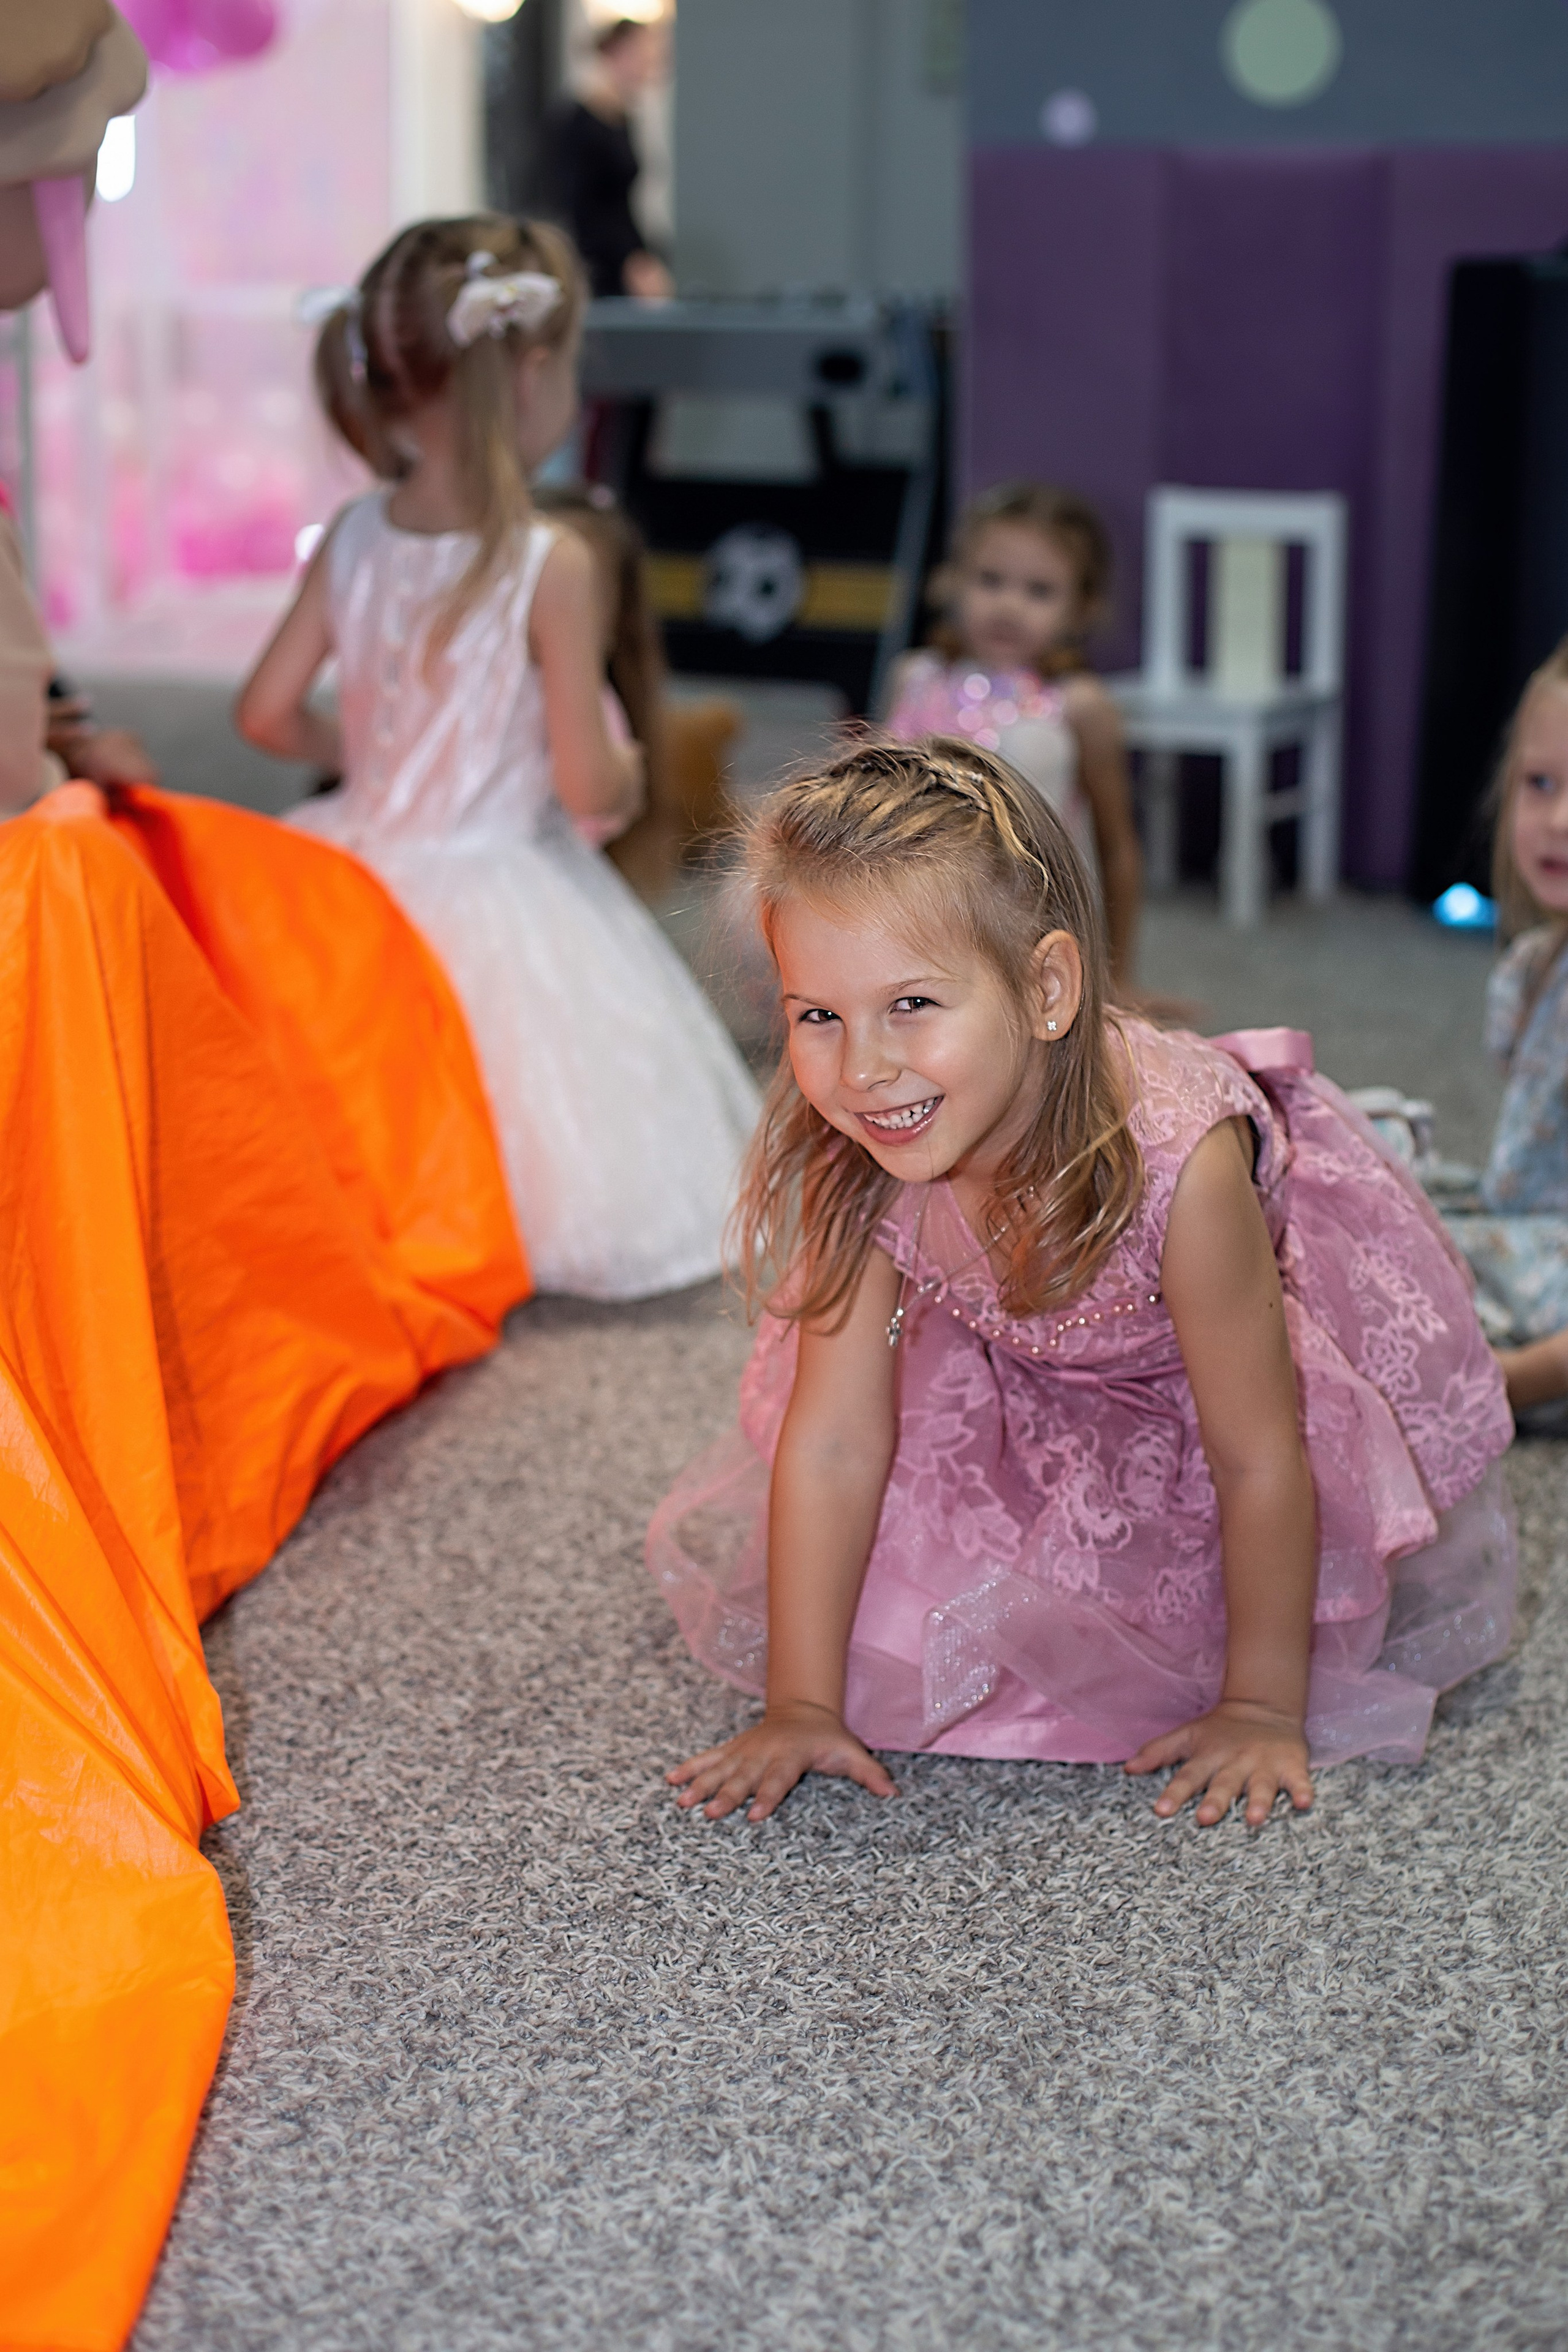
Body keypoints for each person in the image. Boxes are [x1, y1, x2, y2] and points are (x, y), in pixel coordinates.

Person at [648, 739, 1517, 1826]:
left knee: (1250, 1535)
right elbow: (833, 1440)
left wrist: (1258, 1704)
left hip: (1212, 1345)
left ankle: (1430, 1214)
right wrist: (802, 1702)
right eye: (817, 1014)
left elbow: (1258, 1453)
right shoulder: (863, 1150)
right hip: (1024, 1347)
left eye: (911, 1004)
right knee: (899, 1599)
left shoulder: (1183, 1171)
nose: (862, 1069)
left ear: (1049, 987)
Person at [237, 214, 758, 1301]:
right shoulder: (550, 560)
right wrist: (619, 776)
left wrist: (377, 765)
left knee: (355, 1086)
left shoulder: (352, 535)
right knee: (519, 1084)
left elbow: (266, 716)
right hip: (497, 873)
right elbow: (582, 783)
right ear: (529, 372)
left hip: (361, 859)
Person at [884, 482, 1144, 998]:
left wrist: (1118, 978)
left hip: (1024, 925)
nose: (1008, 605)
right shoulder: (916, 677)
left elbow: (1117, 848)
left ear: (1082, 608)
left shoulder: (1079, 705)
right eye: (989, 580)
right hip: (911, 908)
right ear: (951, 581)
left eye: (1039, 591)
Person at [1442, 641, 1568, 1412]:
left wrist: (1513, 1382)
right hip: (1520, 1226)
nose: (1557, 820)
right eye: (1540, 783)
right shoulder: (1531, 966)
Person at [539, 17, 672, 301]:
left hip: (623, 264)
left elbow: (622, 205)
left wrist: (640, 257)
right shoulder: (575, 123)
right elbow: (577, 207)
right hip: (592, 266)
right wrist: (628, 261)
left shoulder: (623, 119)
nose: (651, 66)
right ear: (617, 53)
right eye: (644, 55)